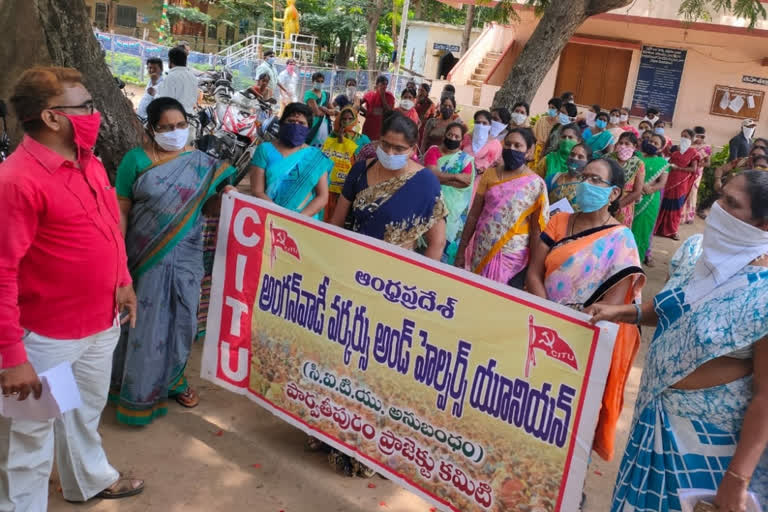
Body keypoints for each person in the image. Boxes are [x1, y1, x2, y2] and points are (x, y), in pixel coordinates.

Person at [0, 66, 144, 507]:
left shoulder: (89, 161)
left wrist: (123, 280)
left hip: (100, 324)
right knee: (30, 437)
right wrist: (13, 358)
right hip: (45, 339)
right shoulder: (17, 181)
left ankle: (88, 479)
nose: (94, 113)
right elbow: (3, 271)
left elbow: (107, 228)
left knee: (82, 412)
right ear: (51, 118)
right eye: (84, 106)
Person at [589, 171, 768, 512]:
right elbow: (672, 308)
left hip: (710, 443)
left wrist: (737, 478)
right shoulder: (697, 254)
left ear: (763, 224)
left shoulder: (764, 292)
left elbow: (766, 394)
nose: (717, 208)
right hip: (653, 418)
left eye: (732, 204)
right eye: (720, 196)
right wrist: (621, 312)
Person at [112, 97, 235, 423]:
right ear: (152, 129)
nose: (175, 132)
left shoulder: (200, 163)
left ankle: (174, 380)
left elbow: (209, 211)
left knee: (183, 320)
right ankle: (135, 388)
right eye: (166, 128)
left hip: (187, 256)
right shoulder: (135, 161)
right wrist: (119, 256)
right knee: (143, 324)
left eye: (180, 125)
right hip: (142, 257)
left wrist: (225, 198)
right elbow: (122, 210)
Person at [527, 158, 644, 462]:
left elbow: (614, 306)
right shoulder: (559, 221)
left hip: (585, 338)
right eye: (584, 177)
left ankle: (568, 485)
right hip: (543, 325)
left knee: (573, 415)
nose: (585, 184)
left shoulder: (621, 240)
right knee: (532, 401)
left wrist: (573, 325)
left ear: (614, 193)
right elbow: (533, 273)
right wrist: (549, 314)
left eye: (596, 180)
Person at [330, 113, 447, 257]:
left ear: (412, 150)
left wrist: (420, 278)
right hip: (353, 257)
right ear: (378, 141)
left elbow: (437, 243)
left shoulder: (426, 183)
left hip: (396, 269)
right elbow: (337, 221)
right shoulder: (360, 170)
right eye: (385, 145)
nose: (390, 153)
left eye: (398, 148)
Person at [455, 128, 549, 289]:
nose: (511, 149)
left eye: (518, 146)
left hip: (511, 255)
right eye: (508, 144)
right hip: (482, 248)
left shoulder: (536, 185)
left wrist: (533, 270)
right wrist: (461, 250)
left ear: (528, 151)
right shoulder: (490, 174)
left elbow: (536, 231)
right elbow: (473, 215)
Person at [249, 103, 332, 219]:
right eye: (291, 121)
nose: (295, 126)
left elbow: (322, 197)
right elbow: (257, 191)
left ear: (308, 129)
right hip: (269, 217)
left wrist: (296, 219)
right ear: (282, 124)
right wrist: (278, 215)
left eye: (301, 123)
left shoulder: (315, 157)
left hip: (303, 223)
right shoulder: (264, 150)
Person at [423, 121, 475, 263]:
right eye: (450, 134)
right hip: (428, 204)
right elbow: (430, 173)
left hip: (452, 212)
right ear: (445, 135)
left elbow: (466, 183)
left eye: (456, 136)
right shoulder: (434, 151)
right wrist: (455, 176)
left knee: (442, 246)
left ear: (461, 140)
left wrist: (440, 178)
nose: (452, 138)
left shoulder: (465, 160)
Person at [655, 129, 702, 240]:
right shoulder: (675, 152)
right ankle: (658, 228)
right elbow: (668, 164)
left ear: (691, 139)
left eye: (686, 136)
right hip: (670, 180)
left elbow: (693, 169)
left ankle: (672, 231)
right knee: (664, 204)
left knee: (676, 206)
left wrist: (679, 168)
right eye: (682, 136)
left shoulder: (693, 153)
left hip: (681, 183)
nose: (683, 138)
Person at [322, 106, 367, 221]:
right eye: (344, 119)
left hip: (352, 182)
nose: (347, 122)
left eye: (350, 119)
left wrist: (346, 144)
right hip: (333, 183)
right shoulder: (333, 136)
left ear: (355, 120)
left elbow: (367, 159)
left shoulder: (362, 139)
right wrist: (339, 140)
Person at [631, 132, 669, 265]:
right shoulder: (637, 156)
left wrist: (649, 189)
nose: (652, 144)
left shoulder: (662, 162)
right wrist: (638, 188)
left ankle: (636, 261)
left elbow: (662, 183)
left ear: (661, 148)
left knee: (643, 230)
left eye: (656, 143)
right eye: (651, 141)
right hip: (632, 196)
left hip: (650, 199)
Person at [608, 131, 645, 227]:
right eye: (620, 143)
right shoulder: (608, 158)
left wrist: (617, 206)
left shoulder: (638, 164)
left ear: (634, 147)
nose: (623, 146)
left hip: (624, 207)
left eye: (627, 144)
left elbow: (637, 191)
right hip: (604, 203)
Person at [548, 142, 592, 209]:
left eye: (580, 157)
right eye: (572, 155)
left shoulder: (588, 187)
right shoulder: (553, 178)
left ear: (587, 162)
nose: (575, 159)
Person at [682, 125, 712, 224]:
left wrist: (698, 164)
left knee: (693, 192)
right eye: (697, 136)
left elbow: (708, 163)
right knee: (684, 190)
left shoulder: (707, 148)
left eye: (701, 137)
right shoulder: (689, 145)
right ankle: (681, 215)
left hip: (697, 173)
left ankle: (689, 216)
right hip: (686, 170)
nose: (699, 139)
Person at [156, 46, 198, 115]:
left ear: (170, 61)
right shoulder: (193, 77)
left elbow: (165, 102)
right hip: (190, 117)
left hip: (174, 118)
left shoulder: (171, 77)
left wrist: (155, 95)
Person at [460, 110, 502, 177]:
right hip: (459, 174)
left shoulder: (496, 144)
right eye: (478, 122)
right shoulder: (466, 137)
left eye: (484, 123)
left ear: (490, 125)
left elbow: (494, 165)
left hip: (480, 180)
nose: (480, 126)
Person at [304, 72, 335, 147]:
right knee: (309, 145)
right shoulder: (309, 94)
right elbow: (317, 113)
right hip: (313, 123)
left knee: (322, 146)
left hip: (324, 124)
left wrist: (323, 109)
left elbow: (333, 111)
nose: (320, 83)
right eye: (317, 81)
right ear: (313, 82)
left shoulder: (325, 94)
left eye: (322, 81)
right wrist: (327, 111)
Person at [361, 75, 395, 141]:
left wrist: (382, 97)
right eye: (382, 84)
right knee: (365, 144)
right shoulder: (369, 95)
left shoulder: (389, 96)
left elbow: (389, 112)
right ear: (377, 85)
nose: (384, 86)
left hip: (381, 128)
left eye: (386, 84)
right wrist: (367, 112)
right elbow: (358, 104)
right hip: (368, 126)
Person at [532, 97, 562, 166]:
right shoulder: (541, 120)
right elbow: (533, 135)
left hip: (549, 153)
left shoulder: (559, 125)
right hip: (536, 151)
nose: (550, 110)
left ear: (558, 110)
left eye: (553, 108)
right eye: (549, 107)